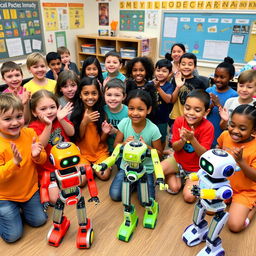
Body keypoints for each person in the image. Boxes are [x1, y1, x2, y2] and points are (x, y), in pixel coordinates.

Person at [0, 93, 47, 243]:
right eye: (7, 119)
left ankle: (19, 211)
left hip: (29, 191)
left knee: (40, 221)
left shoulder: (30, 133)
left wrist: (37, 155)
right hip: (5, 197)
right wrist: (14, 163)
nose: (15, 122)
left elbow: (43, 159)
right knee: (13, 236)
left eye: (19, 116)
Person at [161, 89, 214, 203]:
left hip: (195, 170)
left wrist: (192, 139)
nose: (190, 113)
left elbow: (203, 155)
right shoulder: (179, 121)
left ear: (206, 112)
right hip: (177, 161)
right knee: (167, 181)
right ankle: (177, 176)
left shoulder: (208, 127)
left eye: (197, 110)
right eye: (187, 108)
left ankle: (185, 179)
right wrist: (182, 140)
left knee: (189, 197)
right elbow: (175, 147)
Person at [109, 89, 162, 201]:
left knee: (146, 201)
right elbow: (115, 145)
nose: (135, 113)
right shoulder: (124, 123)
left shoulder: (153, 129)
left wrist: (147, 147)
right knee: (115, 195)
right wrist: (123, 144)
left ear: (148, 110)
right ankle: (133, 184)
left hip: (146, 169)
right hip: (126, 167)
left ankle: (139, 183)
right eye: (131, 108)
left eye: (140, 109)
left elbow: (160, 154)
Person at [29, 90, 74, 204]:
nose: (49, 112)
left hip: (65, 164)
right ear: (34, 112)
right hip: (48, 170)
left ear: (57, 107)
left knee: (82, 181)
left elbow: (71, 133)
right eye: (43, 109)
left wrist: (62, 119)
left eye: (52, 107)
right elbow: (41, 145)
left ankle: (62, 183)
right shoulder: (33, 127)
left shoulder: (60, 119)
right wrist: (48, 125)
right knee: (55, 200)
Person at [217, 104, 256, 233]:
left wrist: (241, 161)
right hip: (226, 184)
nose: (235, 131)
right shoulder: (225, 136)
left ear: (254, 131)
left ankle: (253, 207)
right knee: (210, 211)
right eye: (232, 125)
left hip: (245, 191)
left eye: (242, 128)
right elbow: (219, 147)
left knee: (234, 226)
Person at [70, 77, 111, 180]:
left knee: (104, 175)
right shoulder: (76, 114)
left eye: (94, 93)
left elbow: (102, 141)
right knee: (82, 180)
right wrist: (84, 122)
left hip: (100, 153)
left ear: (99, 94)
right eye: (86, 93)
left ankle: (92, 168)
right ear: (80, 95)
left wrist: (105, 133)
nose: (90, 97)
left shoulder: (102, 113)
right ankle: (90, 168)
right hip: (83, 154)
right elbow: (78, 138)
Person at [206, 57, 238, 147]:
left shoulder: (234, 95)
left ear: (231, 77)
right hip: (207, 132)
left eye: (222, 77)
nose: (218, 79)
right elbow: (203, 111)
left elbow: (232, 119)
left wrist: (218, 104)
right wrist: (212, 105)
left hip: (221, 133)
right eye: (216, 76)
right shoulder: (209, 90)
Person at [169, 53, 206, 121]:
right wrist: (178, 87)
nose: (186, 67)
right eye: (183, 64)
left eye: (190, 64)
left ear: (195, 67)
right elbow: (172, 101)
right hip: (176, 118)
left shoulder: (199, 83)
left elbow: (202, 104)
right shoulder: (176, 79)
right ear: (179, 65)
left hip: (192, 118)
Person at [151, 59, 175, 150]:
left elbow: (168, 99)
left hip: (162, 119)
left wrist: (158, 88)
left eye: (164, 71)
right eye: (158, 70)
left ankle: (160, 154)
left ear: (169, 73)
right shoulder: (150, 83)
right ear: (154, 71)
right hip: (150, 117)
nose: (160, 73)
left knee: (161, 138)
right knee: (150, 137)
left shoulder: (169, 86)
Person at [125, 56, 157, 121]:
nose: (138, 73)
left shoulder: (150, 86)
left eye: (141, 70)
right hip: (130, 119)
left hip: (147, 120)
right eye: (135, 70)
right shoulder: (128, 85)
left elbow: (153, 106)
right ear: (131, 71)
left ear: (147, 71)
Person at [103, 78, 128, 153]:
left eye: (117, 95)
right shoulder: (103, 110)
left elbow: (130, 135)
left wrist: (116, 131)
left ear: (123, 96)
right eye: (109, 95)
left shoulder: (128, 112)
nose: (113, 98)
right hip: (105, 149)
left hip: (122, 150)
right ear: (104, 95)